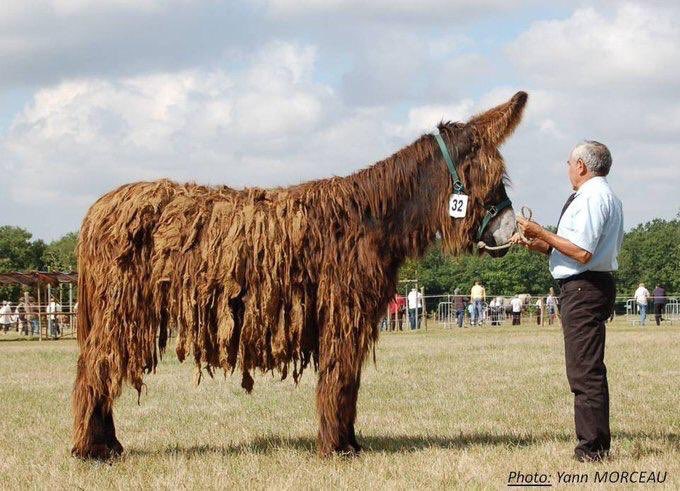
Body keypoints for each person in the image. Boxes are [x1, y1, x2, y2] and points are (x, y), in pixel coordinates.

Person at [513, 140, 623, 462]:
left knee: (584, 372)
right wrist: (541, 245)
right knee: (588, 369)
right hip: (591, 284)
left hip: (582, 289)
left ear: (581, 166)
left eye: (568, 162)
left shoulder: (591, 198)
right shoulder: (608, 197)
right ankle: (595, 444)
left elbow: (582, 251)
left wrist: (541, 232)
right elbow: (580, 251)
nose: (567, 169)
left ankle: (592, 450)